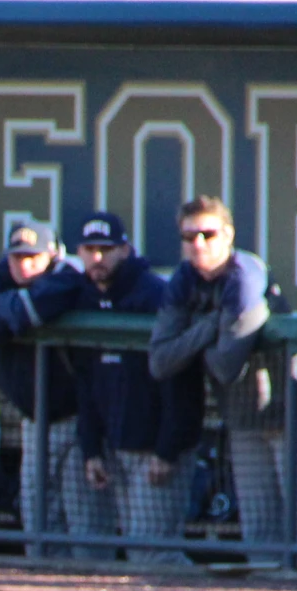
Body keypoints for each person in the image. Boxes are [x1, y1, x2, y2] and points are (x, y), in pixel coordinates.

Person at [150, 195, 297, 553]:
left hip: (296, 410)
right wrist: (208, 327)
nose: (198, 244)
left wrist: (190, 337)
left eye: (207, 234)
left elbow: (225, 366)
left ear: (228, 235)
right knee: (259, 535)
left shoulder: (246, 274)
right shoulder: (183, 280)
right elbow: (159, 361)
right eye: (190, 237)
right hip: (244, 418)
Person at [60, 211, 194, 563]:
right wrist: (91, 450)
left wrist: (167, 450)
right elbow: (86, 384)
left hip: (155, 449)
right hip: (114, 448)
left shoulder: (153, 294)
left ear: (125, 249)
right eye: (89, 249)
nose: (97, 258)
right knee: (137, 552)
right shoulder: (82, 297)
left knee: (154, 553)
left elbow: (180, 381)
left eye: (106, 249)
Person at [0, 221, 88, 556]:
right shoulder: (1, 275)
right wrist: (14, 307)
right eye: (18, 257)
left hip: (79, 421)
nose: (24, 265)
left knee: (85, 526)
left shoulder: (69, 273)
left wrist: (6, 306)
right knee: (36, 523)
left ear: (52, 255)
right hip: (33, 421)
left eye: (33, 257)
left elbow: (29, 309)